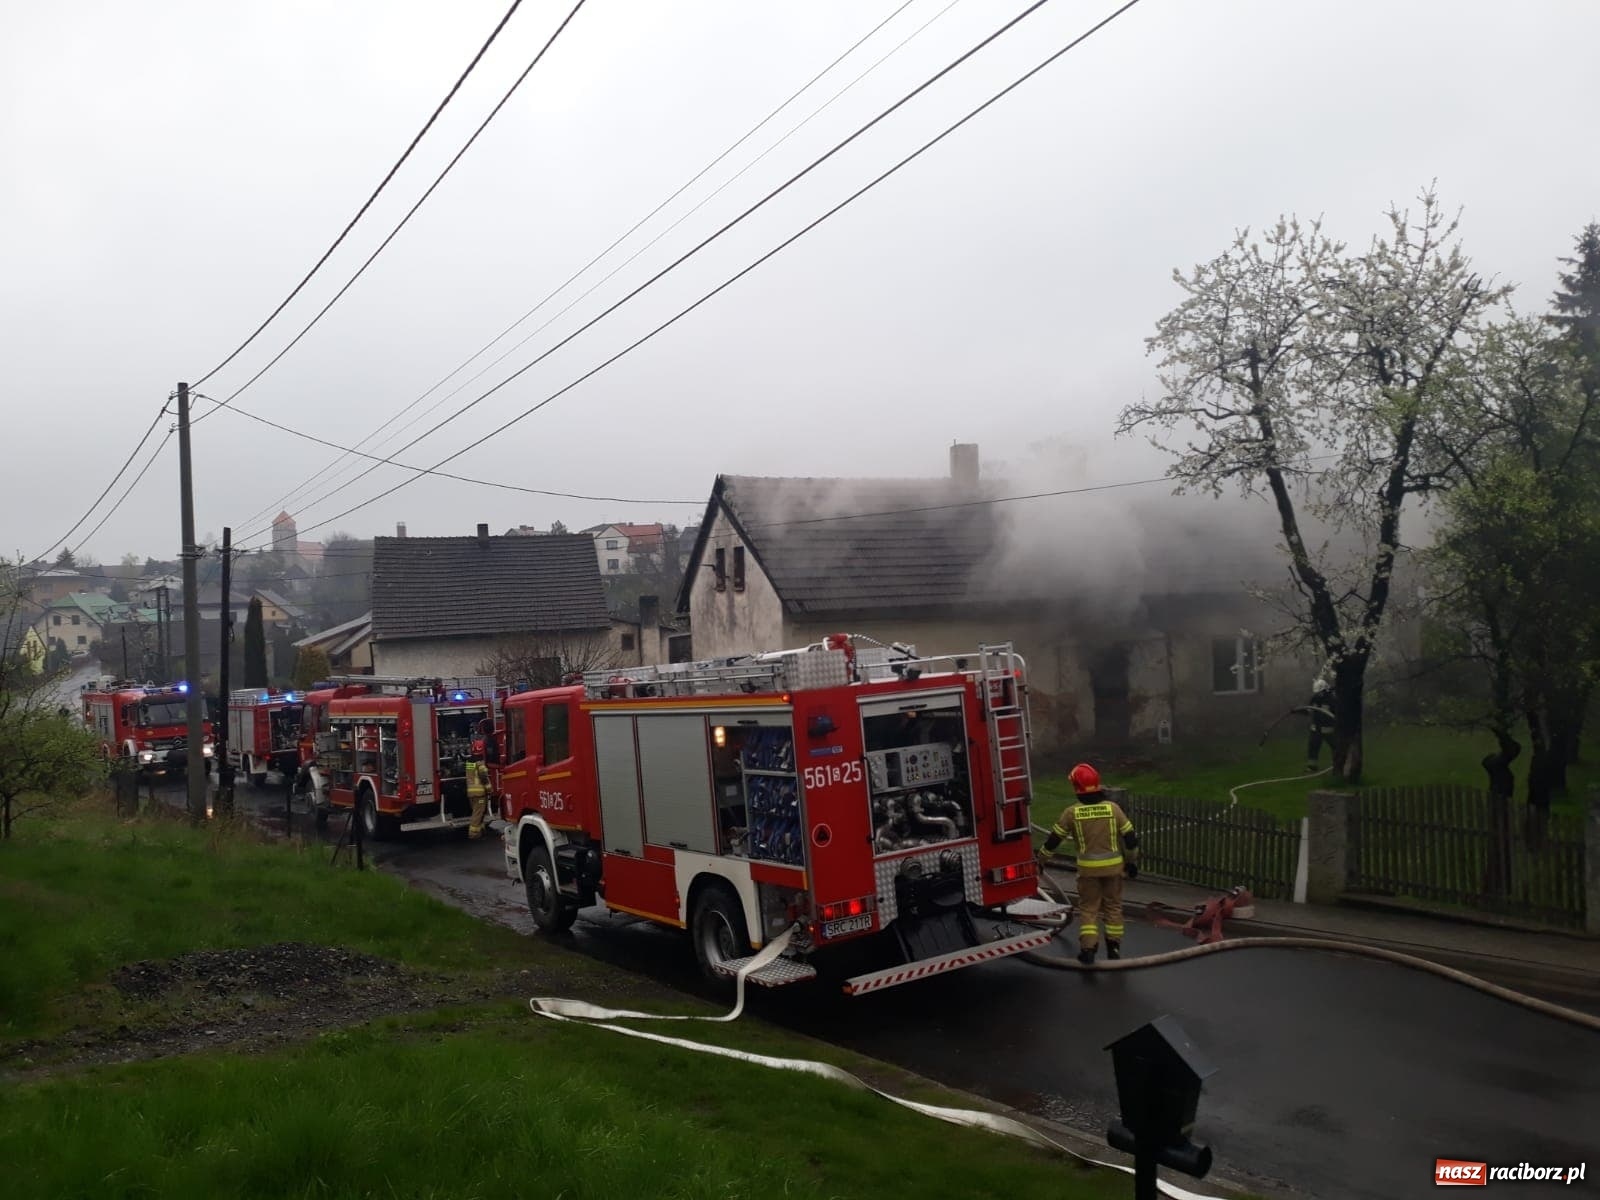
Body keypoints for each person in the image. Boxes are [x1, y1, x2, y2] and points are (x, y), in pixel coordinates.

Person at [1036, 762, 1139, 964]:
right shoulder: (1114, 809)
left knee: (1089, 909)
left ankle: (1088, 949)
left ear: (1077, 788)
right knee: (1113, 907)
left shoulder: (1071, 813)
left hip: (1088, 873)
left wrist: (1040, 861)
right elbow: (1130, 839)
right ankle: (1114, 948)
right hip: (1114, 870)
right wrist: (1132, 862)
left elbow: (1053, 841)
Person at [1293, 677, 1336, 772]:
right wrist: (1298, 710)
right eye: (1317, 692)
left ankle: (1337, 765)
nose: (1319, 694)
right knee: (1313, 748)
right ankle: (1312, 767)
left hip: (1328, 729)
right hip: (1315, 729)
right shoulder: (1315, 698)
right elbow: (1309, 711)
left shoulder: (1332, 699)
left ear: (1325, 690)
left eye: (1320, 692)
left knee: (1336, 747)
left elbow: (1337, 714)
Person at [465, 742, 492, 840]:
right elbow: (483, 775)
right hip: (479, 793)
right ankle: (474, 834)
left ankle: (480, 830)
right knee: (478, 813)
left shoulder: (469, 762)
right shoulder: (480, 762)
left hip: (471, 793)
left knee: (478, 812)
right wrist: (489, 788)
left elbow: (471, 775)